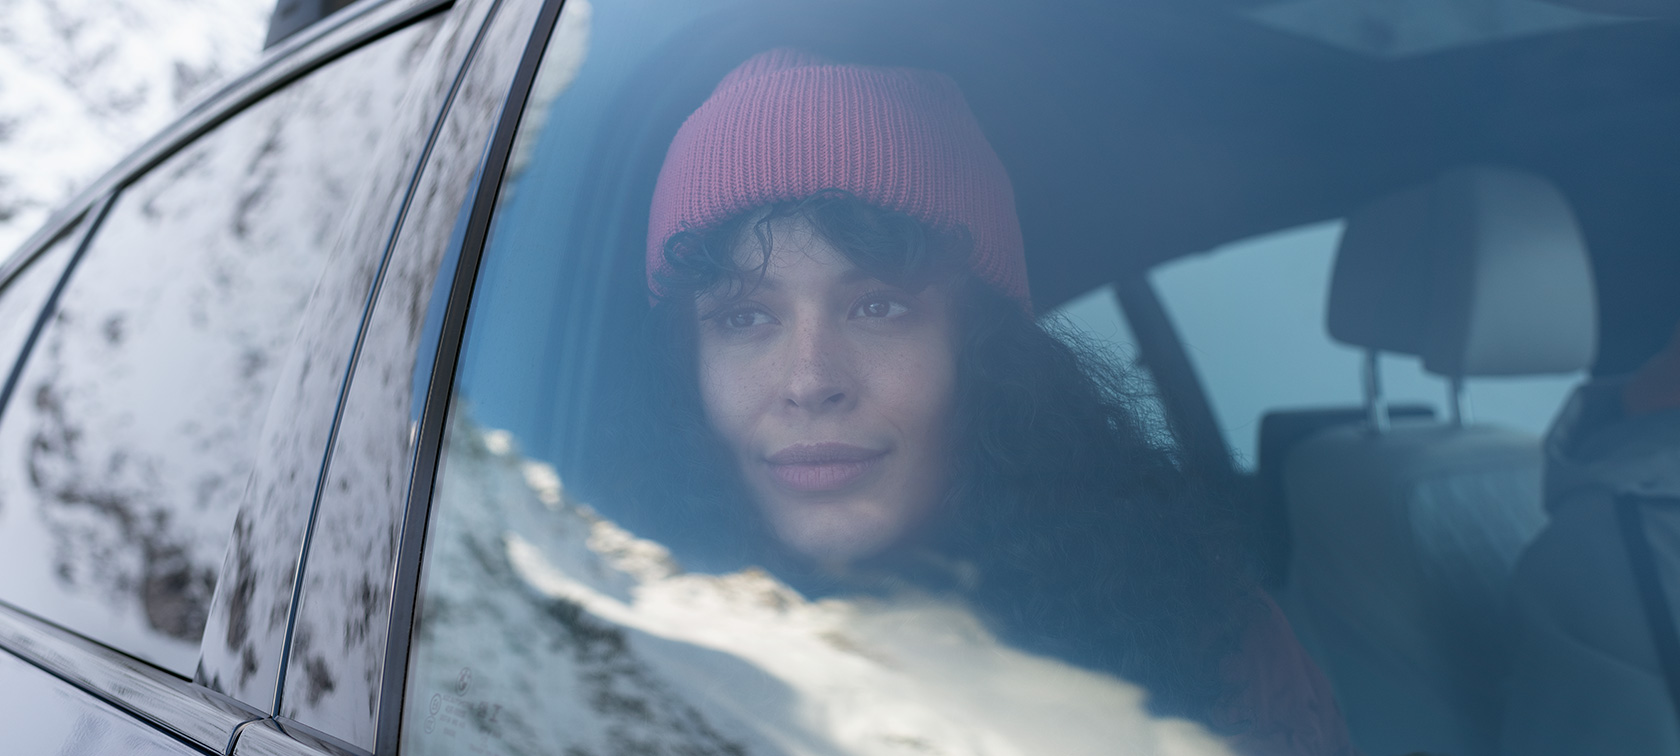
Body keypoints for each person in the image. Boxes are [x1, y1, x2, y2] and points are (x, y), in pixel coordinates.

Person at [596, 47, 1356, 756]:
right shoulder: (576, 640)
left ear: (987, 355)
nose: (809, 379)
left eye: (878, 309)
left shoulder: (1216, 645)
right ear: (684, 370)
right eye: (745, 318)